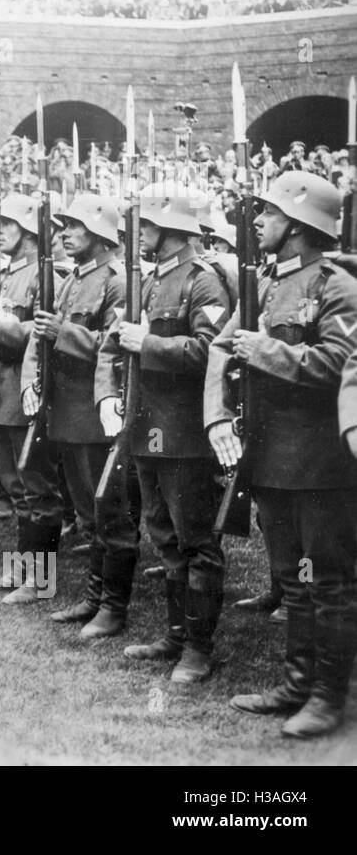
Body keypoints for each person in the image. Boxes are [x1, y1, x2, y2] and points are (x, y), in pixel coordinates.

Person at [214, 173, 357, 738]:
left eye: (269, 215)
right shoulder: (271, 286)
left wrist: (265, 351)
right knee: (293, 579)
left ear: (297, 228)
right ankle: (297, 684)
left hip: (322, 465)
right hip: (272, 458)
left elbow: (339, 367)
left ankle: (327, 697)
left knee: (330, 583)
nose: (258, 224)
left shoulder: (338, 288)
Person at [100, 193, 231, 678]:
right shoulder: (151, 280)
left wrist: (147, 342)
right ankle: (176, 636)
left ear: (172, 228)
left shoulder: (203, 281)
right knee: (165, 536)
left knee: (196, 539)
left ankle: (198, 648)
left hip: (184, 432)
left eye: (149, 225)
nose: (140, 232)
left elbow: (210, 350)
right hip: (147, 427)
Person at [26, 194, 129, 638]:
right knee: (89, 514)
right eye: (64, 225)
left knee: (109, 511)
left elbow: (115, 346)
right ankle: (93, 596)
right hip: (66, 410)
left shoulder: (117, 282)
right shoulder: (71, 280)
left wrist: (63, 333)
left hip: (95, 412)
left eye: (76, 227)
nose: (65, 234)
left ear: (102, 235)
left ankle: (112, 606)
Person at [0, 194, 64, 601]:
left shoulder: (43, 276)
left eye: (9, 226)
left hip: (26, 390)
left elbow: (39, 336)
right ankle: (25, 569)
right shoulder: (7, 274)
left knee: (36, 486)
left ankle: (38, 579)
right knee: (16, 486)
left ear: (31, 230)